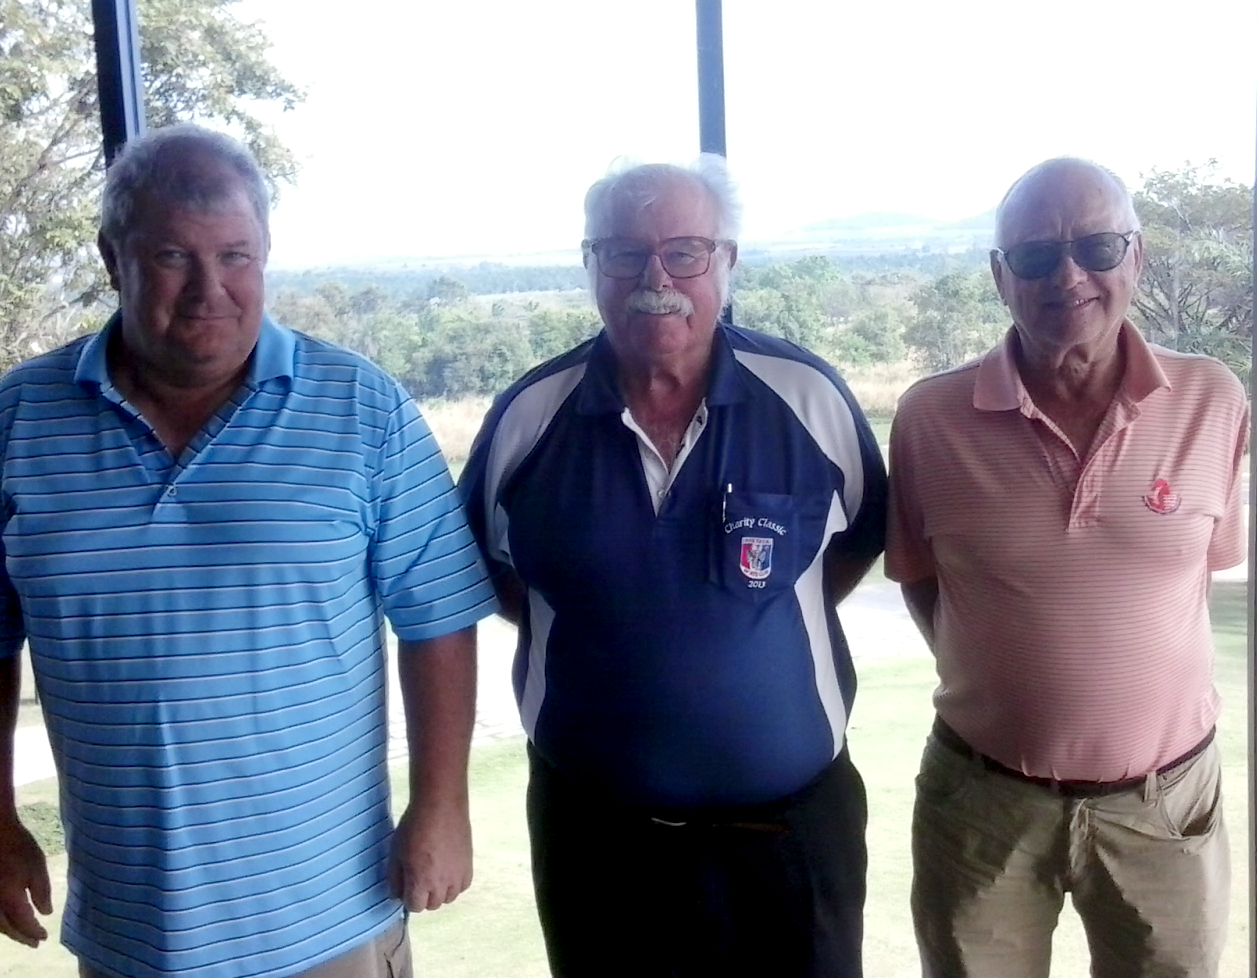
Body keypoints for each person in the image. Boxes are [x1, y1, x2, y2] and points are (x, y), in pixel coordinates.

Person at [0, 124, 498, 978]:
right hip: (128, 929)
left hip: (329, 917)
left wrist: (442, 806)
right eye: (173, 257)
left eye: (236, 256)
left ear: (266, 253)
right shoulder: (14, 420)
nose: (210, 289)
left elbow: (438, 615)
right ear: (112, 259)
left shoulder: (363, 408)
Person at [460, 157, 887, 977]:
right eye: (624, 253)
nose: (655, 279)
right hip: (596, 841)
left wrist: (749, 619)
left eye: (684, 252)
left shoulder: (807, 397)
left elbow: (859, 538)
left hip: (792, 835)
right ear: (591, 264)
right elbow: (489, 569)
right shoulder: (528, 417)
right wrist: (606, 620)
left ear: (727, 261)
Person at [886, 157, 1248, 978]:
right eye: (1037, 256)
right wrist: (1003, 679)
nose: (1069, 276)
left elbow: (1197, 572)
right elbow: (919, 576)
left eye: (1097, 247)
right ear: (999, 275)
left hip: (1165, 807)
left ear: (1137, 256)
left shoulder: (1213, 399)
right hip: (982, 803)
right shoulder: (929, 418)